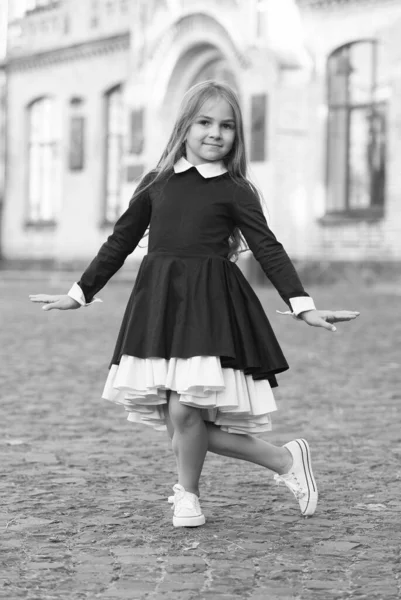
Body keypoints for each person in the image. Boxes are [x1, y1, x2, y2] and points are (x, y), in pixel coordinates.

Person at [29, 80, 360, 528]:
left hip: (209, 304)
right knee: (180, 421)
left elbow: (267, 248)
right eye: (205, 122)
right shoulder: (156, 184)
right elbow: (120, 241)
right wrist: (78, 293)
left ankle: (189, 495)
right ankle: (284, 460)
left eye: (226, 125)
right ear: (185, 126)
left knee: (186, 410)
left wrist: (304, 306)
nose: (215, 133)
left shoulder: (236, 188)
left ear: (236, 135)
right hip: (159, 304)